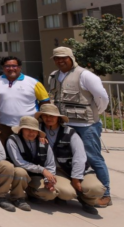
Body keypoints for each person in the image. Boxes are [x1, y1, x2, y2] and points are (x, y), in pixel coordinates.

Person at [48, 46, 112, 207]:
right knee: (64, 157)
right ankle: (74, 189)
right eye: (57, 58)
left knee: (93, 158)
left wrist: (94, 115)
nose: (60, 61)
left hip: (86, 125)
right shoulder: (54, 76)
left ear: (71, 58)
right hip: (64, 125)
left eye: (64, 57)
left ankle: (105, 193)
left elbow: (102, 98)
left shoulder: (85, 75)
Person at [37, 103, 104, 214]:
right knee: (68, 192)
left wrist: (76, 177)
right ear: (41, 117)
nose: (48, 118)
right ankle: (61, 197)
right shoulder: (37, 131)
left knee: (96, 188)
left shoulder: (69, 132)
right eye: (45, 116)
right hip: (55, 171)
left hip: (75, 168)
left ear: (58, 118)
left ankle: (87, 201)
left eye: (52, 116)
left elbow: (80, 156)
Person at [0, 56, 50, 146]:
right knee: (4, 153)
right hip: (4, 126)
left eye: (14, 66)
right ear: (3, 68)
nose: (11, 68)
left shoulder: (34, 83)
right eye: (7, 66)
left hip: (28, 126)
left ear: (20, 67)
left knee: (28, 151)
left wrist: (43, 125)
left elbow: (45, 104)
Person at [6, 116, 58, 209]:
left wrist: (48, 180)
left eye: (34, 130)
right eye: (28, 130)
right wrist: (42, 170)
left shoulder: (44, 142)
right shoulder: (12, 140)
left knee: (50, 194)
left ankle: (30, 192)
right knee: (20, 171)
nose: (31, 133)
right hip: (18, 174)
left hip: (36, 176)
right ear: (21, 130)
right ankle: (17, 198)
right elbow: (19, 162)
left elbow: (50, 164)